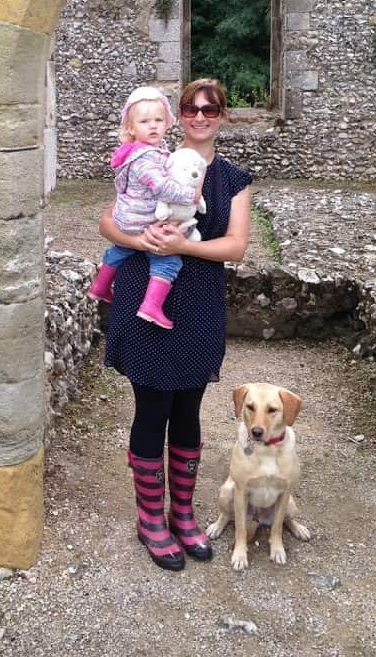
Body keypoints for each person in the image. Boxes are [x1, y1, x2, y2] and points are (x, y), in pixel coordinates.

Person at [101, 78, 253, 571]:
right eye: (191, 107)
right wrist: (144, 242)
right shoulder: (148, 158)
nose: (200, 116)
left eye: (210, 108)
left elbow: (235, 247)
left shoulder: (233, 179)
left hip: (199, 303)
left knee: (188, 409)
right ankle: (151, 519)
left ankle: (182, 514)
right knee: (151, 408)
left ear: (222, 116)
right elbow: (108, 221)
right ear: (176, 115)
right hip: (146, 292)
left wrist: (183, 247)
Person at [88, 86, 203, 330]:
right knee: (168, 261)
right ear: (131, 128)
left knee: (119, 250)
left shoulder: (134, 153)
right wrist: (189, 196)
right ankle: (151, 306)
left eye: (158, 120)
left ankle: (99, 287)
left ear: (167, 123)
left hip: (126, 218)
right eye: (145, 121)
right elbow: (161, 187)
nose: (153, 126)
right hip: (142, 221)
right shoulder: (147, 157)